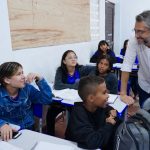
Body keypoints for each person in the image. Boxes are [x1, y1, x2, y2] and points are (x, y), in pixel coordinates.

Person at [0, 62, 53, 141]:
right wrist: (2, 124)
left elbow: (47, 99)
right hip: (9, 133)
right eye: (18, 74)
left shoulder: (28, 89)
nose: (24, 77)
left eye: (22, 73)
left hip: (29, 130)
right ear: (7, 80)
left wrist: (40, 79)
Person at [65, 76, 121, 150]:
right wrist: (109, 124)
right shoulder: (78, 114)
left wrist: (111, 111)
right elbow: (93, 142)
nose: (108, 95)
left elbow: (109, 109)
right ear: (91, 98)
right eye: (104, 93)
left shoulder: (98, 106)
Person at [46, 50, 94, 136]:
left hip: (75, 100)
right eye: (70, 58)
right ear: (64, 61)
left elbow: (95, 69)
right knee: (50, 113)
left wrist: (85, 80)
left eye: (75, 57)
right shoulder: (60, 70)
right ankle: (50, 135)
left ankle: (70, 136)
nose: (73, 59)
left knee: (74, 115)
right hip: (61, 100)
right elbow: (57, 85)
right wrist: (75, 86)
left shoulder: (81, 69)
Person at [120, 10, 150, 107]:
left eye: (141, 31)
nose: (137, 35)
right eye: (135, 31)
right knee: (145, 116)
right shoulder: (134, 40)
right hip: (144, 85)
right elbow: (127, 64)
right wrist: (123, 94)